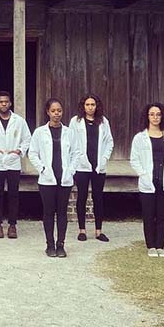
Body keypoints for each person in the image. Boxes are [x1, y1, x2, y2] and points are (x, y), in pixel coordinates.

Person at [28, 98, 81, 258]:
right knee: (49, 212)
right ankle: (50, 244)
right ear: (48, 112)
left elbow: (77, 153)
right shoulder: (39, 132)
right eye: (53, 111)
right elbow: (32, 153)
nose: (56, 114)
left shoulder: (69, 132)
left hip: (64, 178)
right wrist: (42, 168)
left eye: (59, 111)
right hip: (47, 179)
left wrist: (71, 170)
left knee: (62, 213)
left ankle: (61, 244)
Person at [0, 91, 31, 239]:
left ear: (10, 103)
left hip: (13, 161)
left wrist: (19, 150)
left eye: (6, 102)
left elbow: (27, 138)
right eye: (1, 102)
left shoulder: (19, 121)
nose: (3, 104)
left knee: (14, 194)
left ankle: (13, 225)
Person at [130, 103, 164, 258]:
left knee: (162, 215)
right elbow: (134, 159)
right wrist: (142, 174)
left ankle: (160, 245)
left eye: (158, 114)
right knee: (149, 215)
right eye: (152, 114)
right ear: (147, 117)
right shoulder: (140, 138)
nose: (155, 117)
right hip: (148, 181)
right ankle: (151, 246)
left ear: (163, 117)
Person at [69, 94, 114, 242]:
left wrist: (104, 158)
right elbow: (72, 142)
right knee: (81, 197)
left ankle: (98, 231)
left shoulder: (103, 122)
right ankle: (82, 230)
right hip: (82, 166)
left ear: (97, 106)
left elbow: (109, 142)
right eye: (87, 104)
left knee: (98, 198)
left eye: (93, 105)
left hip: (98, 166)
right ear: (83, 106)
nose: (90, 107)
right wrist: (78, 159)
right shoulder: (76, 122)